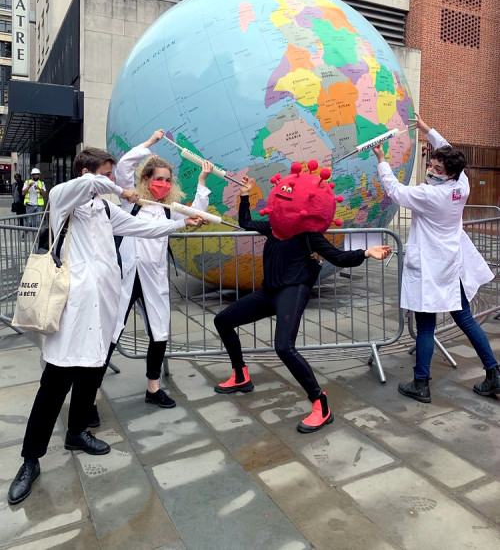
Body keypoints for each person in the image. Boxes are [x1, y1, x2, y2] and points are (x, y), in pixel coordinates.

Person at [7, 147, 205, 506]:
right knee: (54, 385)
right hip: (73, 311)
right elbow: (88, 185)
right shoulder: (65, 199)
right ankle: (30, 460)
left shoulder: (104, 208)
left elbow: (143, 226)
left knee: (89, 376)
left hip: (102, 309)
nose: (114, 181)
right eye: (107, 174)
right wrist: (115, 186)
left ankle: (77, 433)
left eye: (114, 176)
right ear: (89, 173)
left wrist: (180, 222)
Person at [213, 164, 391, 434]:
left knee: (284, 347)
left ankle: (320, 403)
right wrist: (246, 195)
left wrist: (366, 253)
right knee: (223, 320)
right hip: (269, 291)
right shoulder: (273, 227)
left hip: (293, 290)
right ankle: (240, 375)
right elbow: (245, 222)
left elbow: (338, 257)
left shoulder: (309, 236)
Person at [373, 112, 499, 403]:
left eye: (436, 168)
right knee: (466, 319)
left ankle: (421, 383)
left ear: (450, 173)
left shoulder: (430, 195)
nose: (431, 170)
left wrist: (381, 159)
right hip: (451, 264)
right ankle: (494, 373)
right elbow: (448, 150)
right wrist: (427, 130)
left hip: (430, 266)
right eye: (430, 164)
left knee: (427, 325)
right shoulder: (461, 186)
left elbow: (395, 191)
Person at [89, 129, 213, 425]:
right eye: (158, 178)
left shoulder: (169, 210)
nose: (164, 184)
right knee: (109, 334)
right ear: (145, 180)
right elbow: (123, 168)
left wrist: (202, 182)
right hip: (125, 278)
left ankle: (153, 388)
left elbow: (197, 213)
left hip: (154, 279)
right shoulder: (131, 202)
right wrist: (148, 144)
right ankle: (89, 397)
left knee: (160, 333)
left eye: (168, 180)